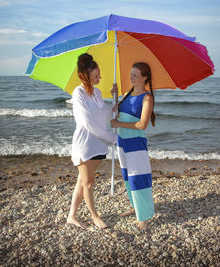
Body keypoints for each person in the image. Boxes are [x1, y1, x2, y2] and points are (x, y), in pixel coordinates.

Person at [66, 53, 117, 229]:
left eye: (99, 75)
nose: (100, 78)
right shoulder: (78, 93)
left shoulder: (97, 92)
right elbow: (88, 123)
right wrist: (112, 138)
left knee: (82, 181)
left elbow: (102, 117)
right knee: (88, 182)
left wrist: (113, 102)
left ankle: (71, 216)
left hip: (98, 143)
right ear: (84, 76)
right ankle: (95, 216)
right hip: (85, 144)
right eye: (96, 76)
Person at [110, 62, 155, 229]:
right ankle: (136, 206)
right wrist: (115, 97)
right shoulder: (126, 94)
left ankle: (145, 215)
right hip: (122, 142)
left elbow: (142, 124)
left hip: (136, 143)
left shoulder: (147, 97)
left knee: (139, 178)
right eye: (131, 74)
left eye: (135, 75)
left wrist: (118, 123)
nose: (131, 77)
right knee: (128, 178)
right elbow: (119, 113)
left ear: (144, 77)